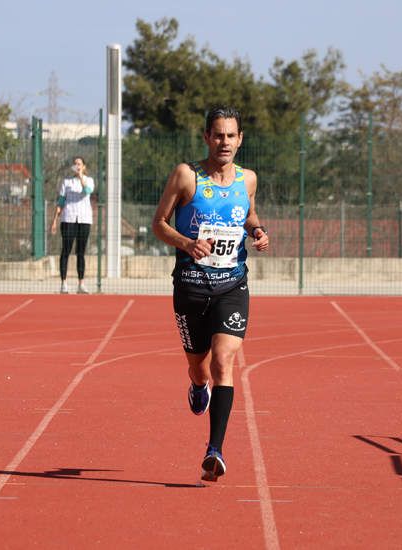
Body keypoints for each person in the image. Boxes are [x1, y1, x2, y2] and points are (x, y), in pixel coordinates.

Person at [151, 106, 270, 481]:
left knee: (223, 363)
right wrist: (187, 243)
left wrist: (257, 231)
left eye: (231, 136)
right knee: (199, 367)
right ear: (206, 137)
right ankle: (196, 385)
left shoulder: (247, 179)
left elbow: (247, 214)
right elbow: (158, 224)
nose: (225, 142)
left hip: (231, 286)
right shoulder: (187, 175)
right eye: (218, 135)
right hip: (190, 285)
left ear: (240, 139)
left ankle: (214, 450)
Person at [50, 156, 94, 294]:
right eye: (75, 164)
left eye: (79, 164)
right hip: (68, 218)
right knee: (66, 251)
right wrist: (54, 221)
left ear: (84, 166)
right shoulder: (66, 182)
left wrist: (81, 177)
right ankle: (64, 283)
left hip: (84, 219)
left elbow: (87, 191)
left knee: (80, 252)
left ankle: (81, 284)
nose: (77, 166)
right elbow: (61, 201)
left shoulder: (89, 181)